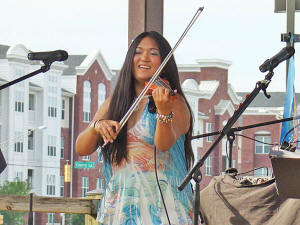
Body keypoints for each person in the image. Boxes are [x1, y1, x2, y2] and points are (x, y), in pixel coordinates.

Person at [75, 31, 195, 225]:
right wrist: (96, 127)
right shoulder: (114, 104)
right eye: (138, 52)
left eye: (153, 53)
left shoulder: (175, 103)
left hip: (164, 210)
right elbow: (82, 148)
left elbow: (162, 144)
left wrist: (163, 112)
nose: (144, 58)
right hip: (120, 208)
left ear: (164, 63)